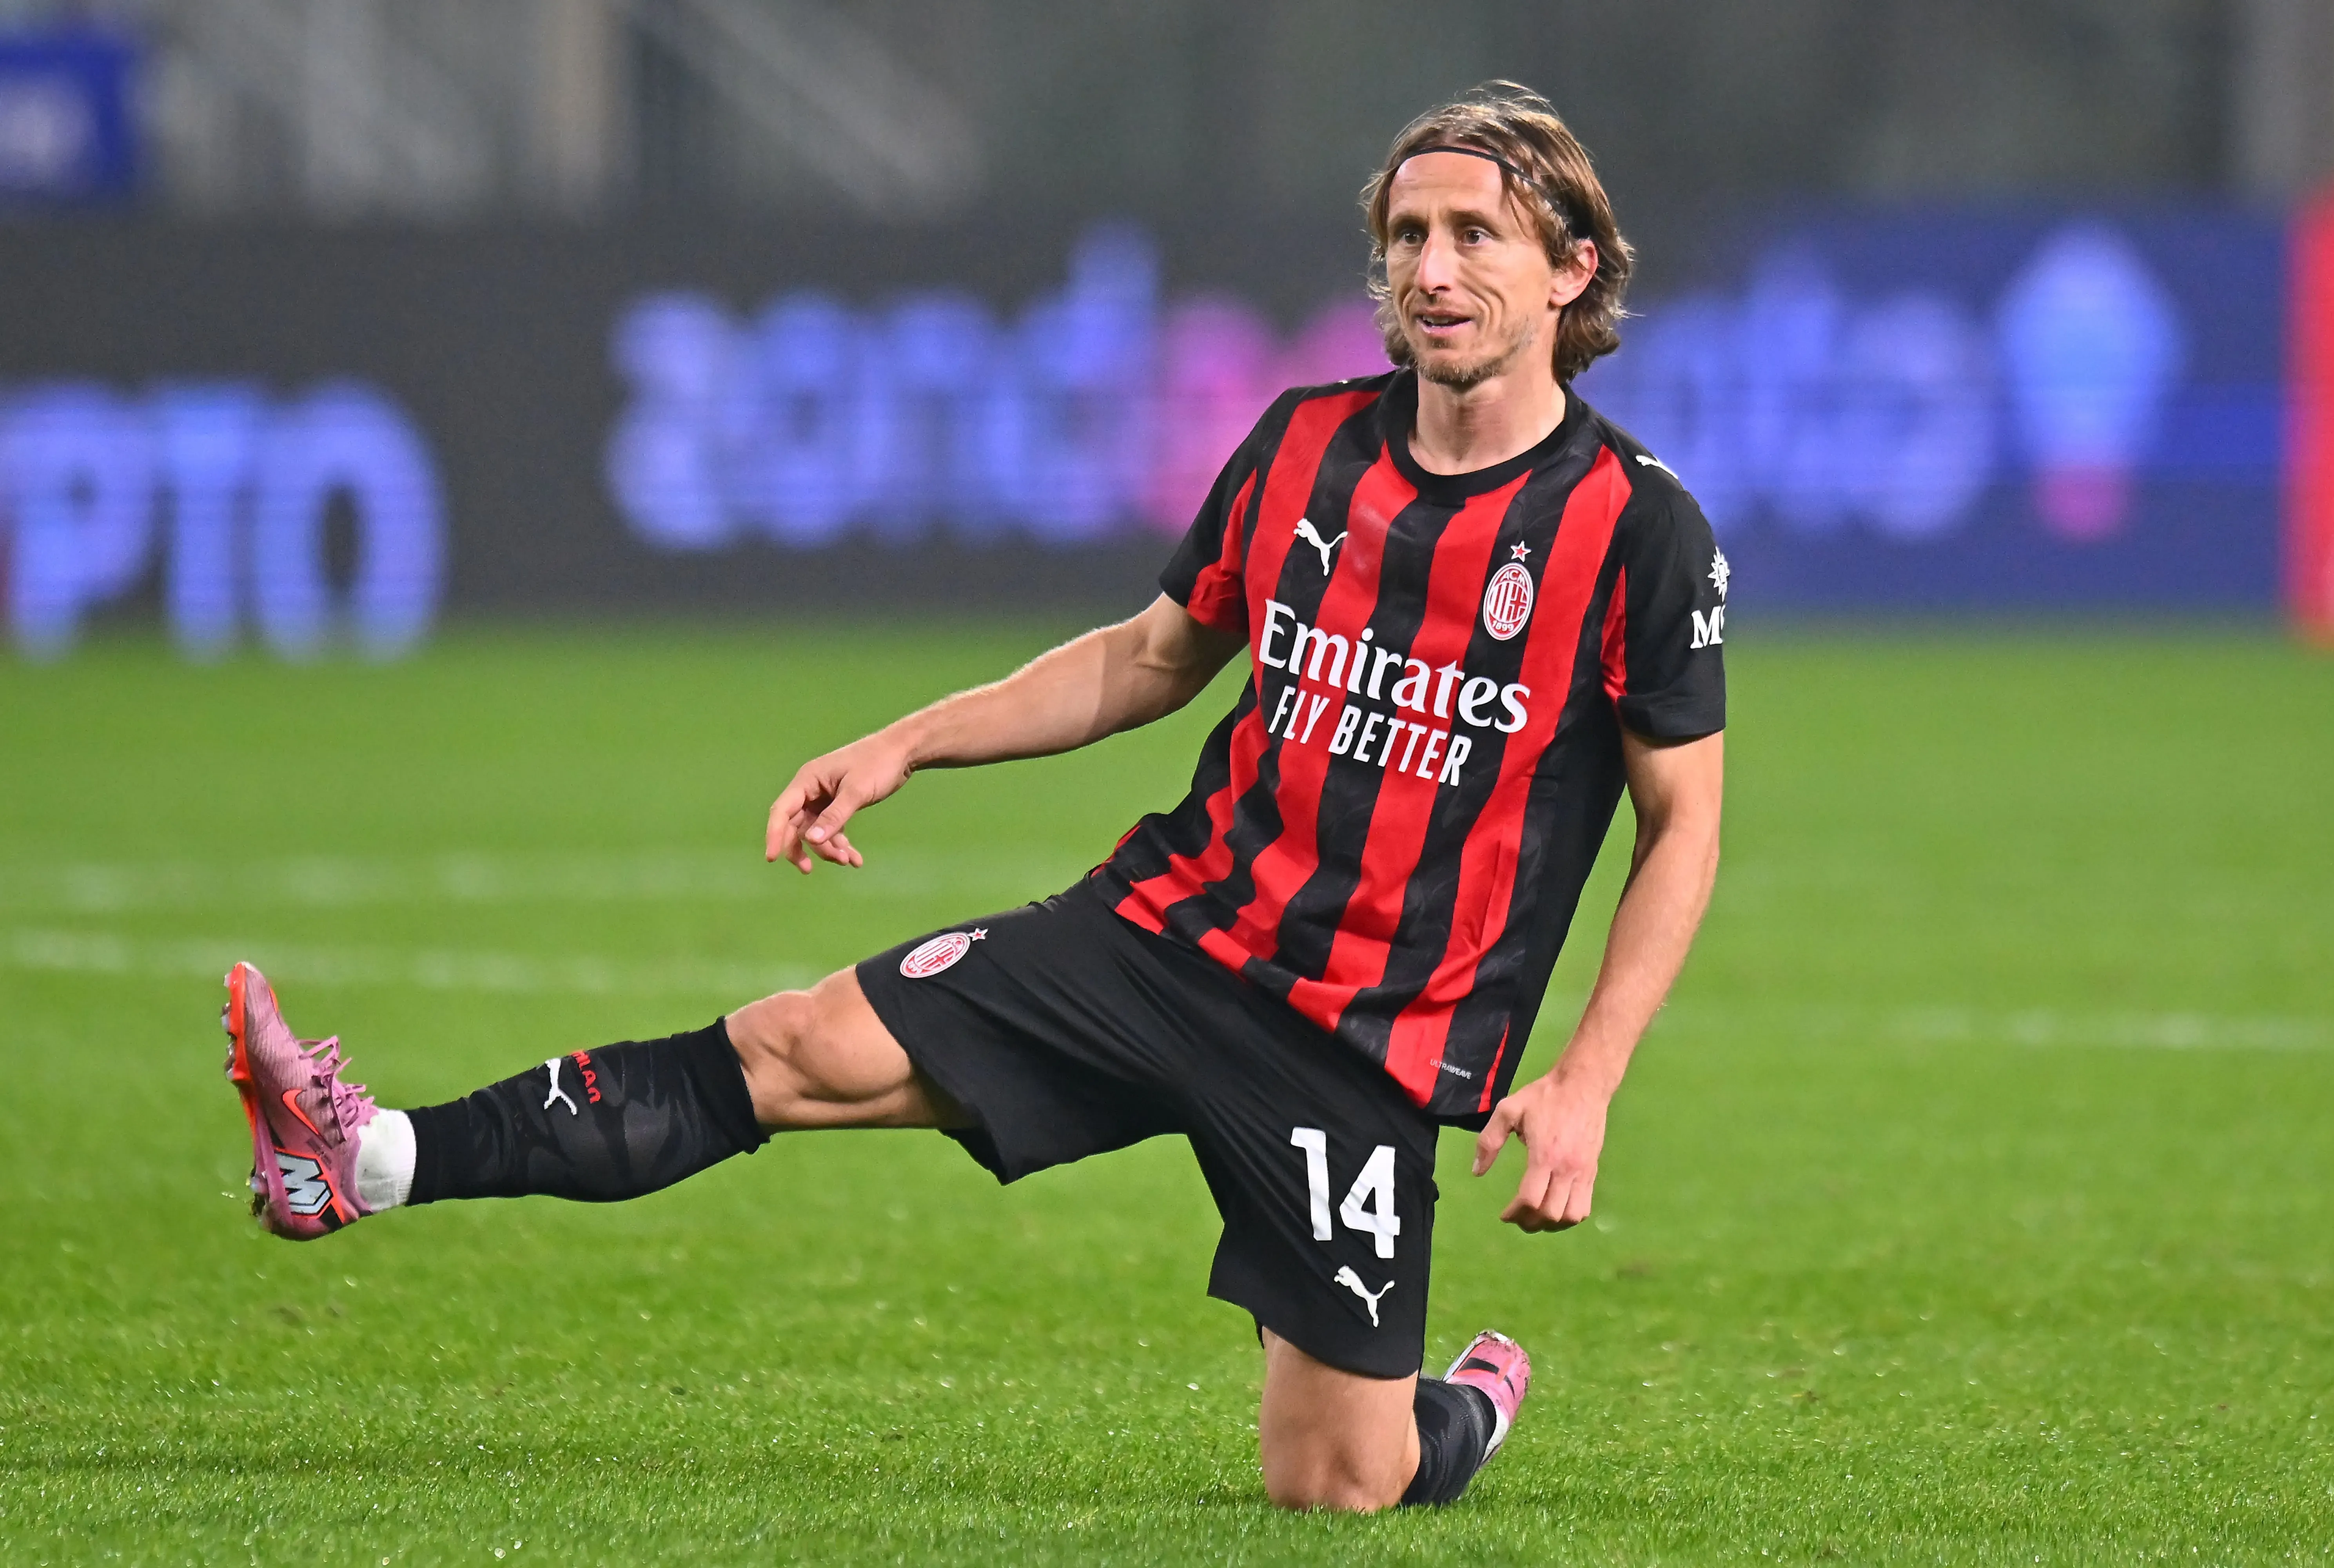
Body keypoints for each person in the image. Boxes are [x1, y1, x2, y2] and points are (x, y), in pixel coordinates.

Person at [219, 81, 1725, 1514]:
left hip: (1362, 1049)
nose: (1432, 269)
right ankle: (359, 1158)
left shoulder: (1635, 532)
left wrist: (1586, 1078)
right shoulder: (1305, 446)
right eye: (1407, 236)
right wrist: (906, 744)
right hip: (1168, 940)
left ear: (1568, 271)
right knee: (793, 1045)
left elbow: (1680, 827)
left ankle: (1453, 1410)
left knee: (1335, 1484)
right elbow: (1147, 658)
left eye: (1476, 236)